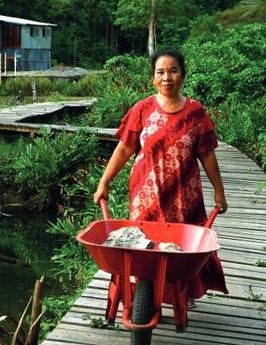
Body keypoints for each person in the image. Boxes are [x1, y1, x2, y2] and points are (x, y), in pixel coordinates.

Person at [93, 50, 228, 299]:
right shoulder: (142, 109)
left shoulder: (196, 113)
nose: (167, 77)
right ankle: (147, 294)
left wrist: (219, 191)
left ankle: (179, 293)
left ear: (183, 76)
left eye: (173, 71)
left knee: (180, 252)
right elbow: (124, 149)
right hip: (147, 197)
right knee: (145, 248)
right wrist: (104, 182)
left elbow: (207, 154)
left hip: (184, 196)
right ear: (153, 78)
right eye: (160, 72)